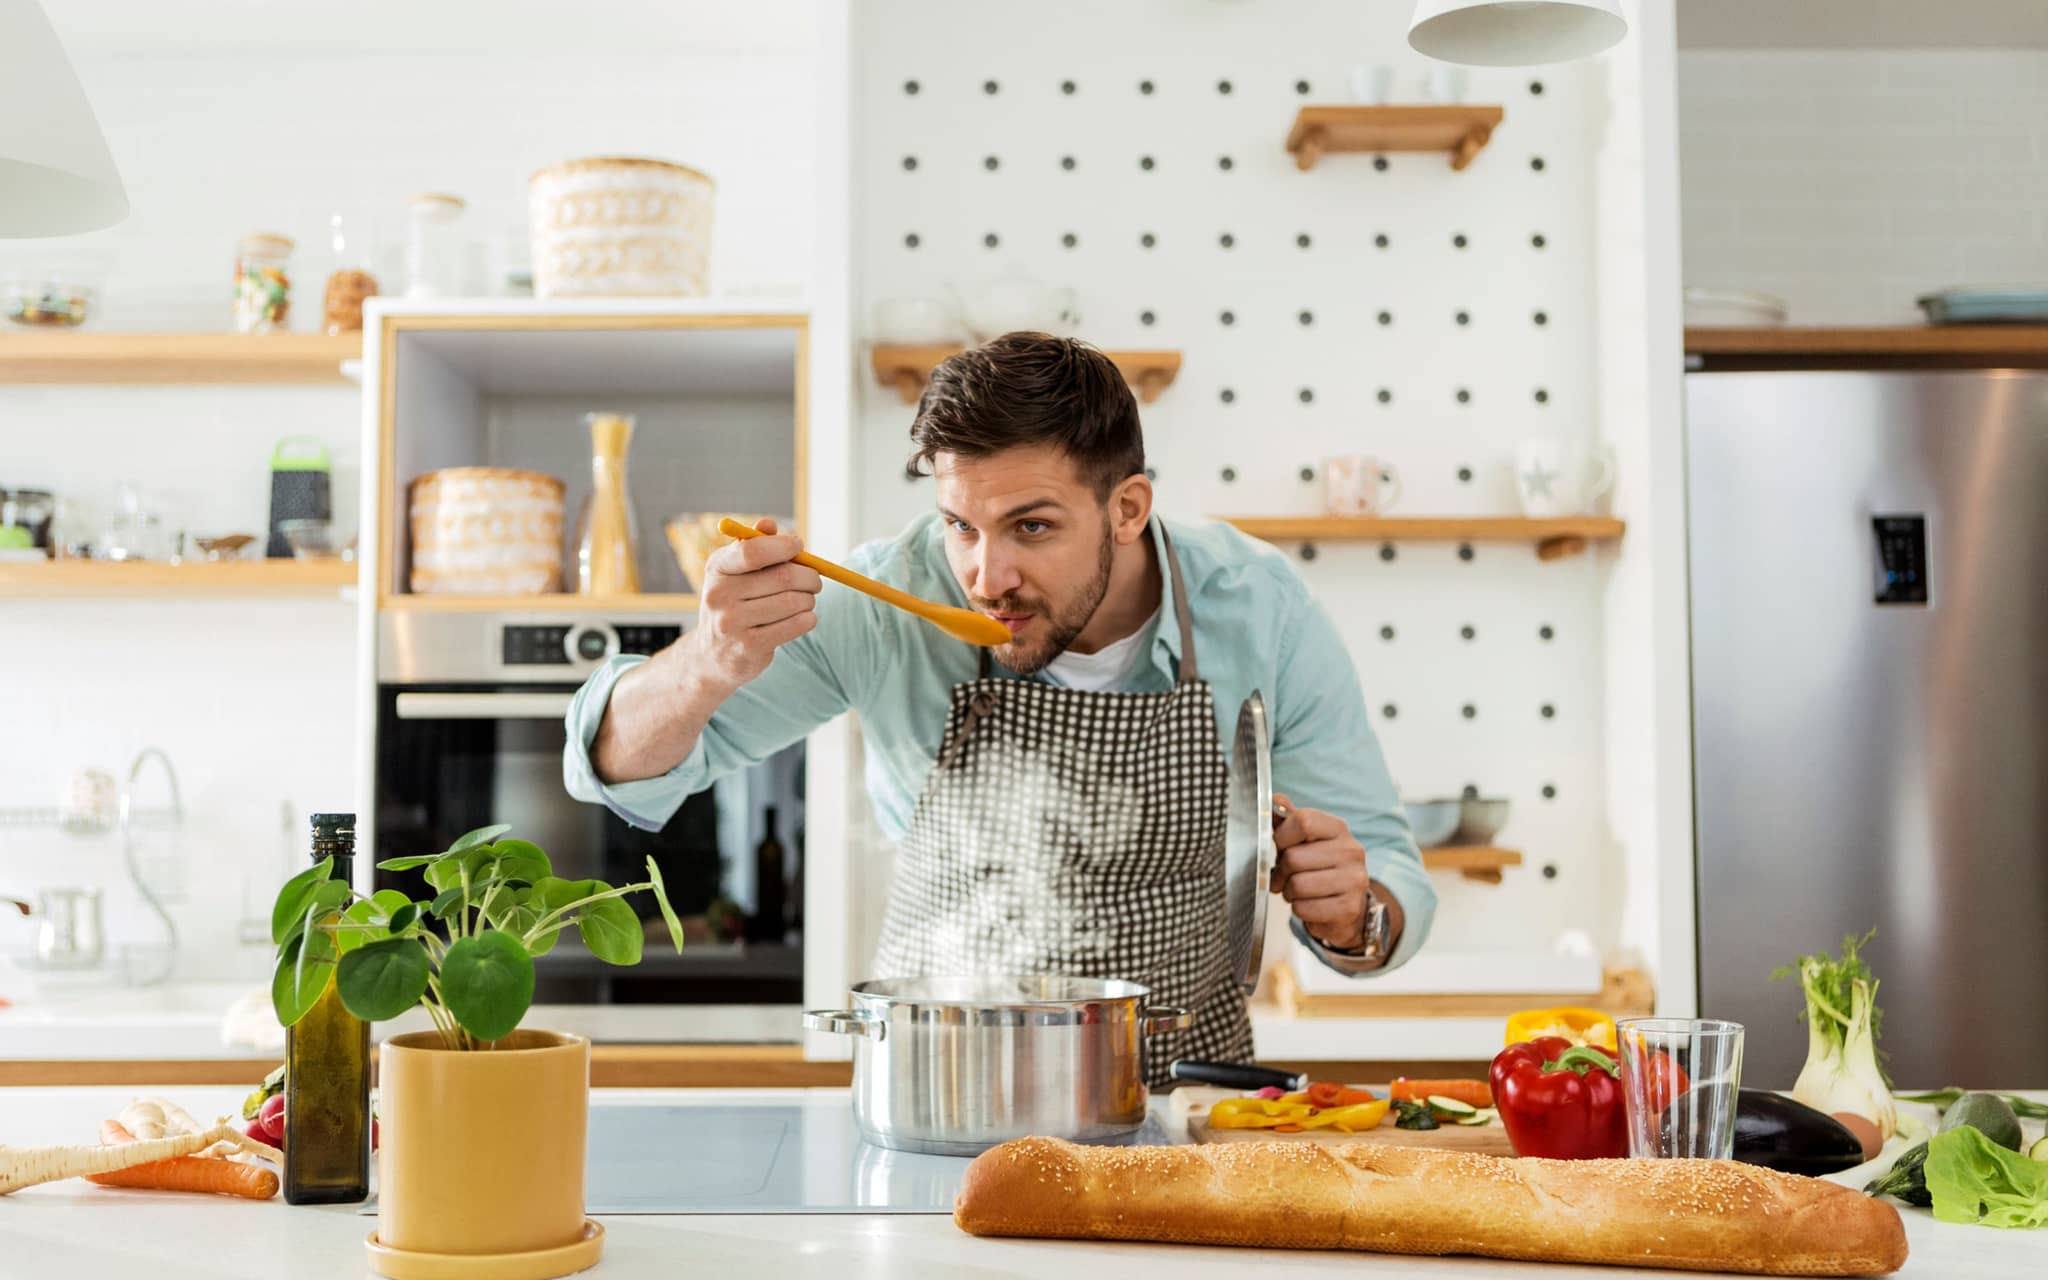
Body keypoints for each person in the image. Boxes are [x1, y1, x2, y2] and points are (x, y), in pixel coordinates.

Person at [565, 332, 1433, 1080]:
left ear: (1127, 509)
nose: (986, 578)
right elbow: (618, 774)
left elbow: (1388, 884)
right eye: (961, 526)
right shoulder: (886, 599)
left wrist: (1353, 913)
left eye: (1033, 527)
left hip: (1181, 1097)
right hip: (946, 1092)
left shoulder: (1260, 605)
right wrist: (707, 666)